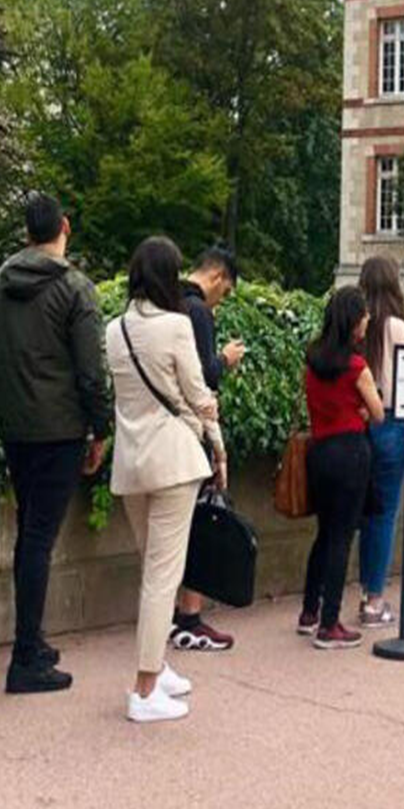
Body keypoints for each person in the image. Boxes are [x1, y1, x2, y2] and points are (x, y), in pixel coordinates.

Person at [0, 193, 112, 694]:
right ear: (64, 227)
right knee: (38, 538)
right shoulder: (76, 289)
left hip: (18, 429)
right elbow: (92, 373)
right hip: (60, 430)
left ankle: (31, 641)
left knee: (29, 534)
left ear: (25, 233)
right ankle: (26, 654)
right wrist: (99, 428)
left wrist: (13, 400)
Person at [105, 237, 226, 722]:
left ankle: (158, 667)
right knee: (163, 576)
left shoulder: (114, 329)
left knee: (151, 572)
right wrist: (217, 444)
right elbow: (199, 396)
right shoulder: (177, 326)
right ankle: (144, 687)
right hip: (174, 461)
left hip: (131, 463)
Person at [299, 287, 384, 649]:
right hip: (350, 452)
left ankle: (309, 611)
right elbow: (378, 413)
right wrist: (363, 411)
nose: (367, 320)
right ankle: (330, 623)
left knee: (323, 533)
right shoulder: (356, 366)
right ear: (352, 320)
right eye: (363, 314)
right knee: (342, 536)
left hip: (320, 451)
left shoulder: (313, 359)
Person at [170, 246, 244, 653]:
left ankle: (176, 615)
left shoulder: (168, 301)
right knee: (199, 524)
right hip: (191, 433)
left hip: (163, 432)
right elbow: (200, 378)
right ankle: (190, 616)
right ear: (216, 277)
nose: (223, 298)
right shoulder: (197, 312)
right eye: (227, 291)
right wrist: (226, 359)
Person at [355, 255, 404, 630]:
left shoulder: (358, 325)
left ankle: (361, 591)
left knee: (360, 515)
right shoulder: (396, 326)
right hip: (391, 423)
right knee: (384, 514)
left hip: (358, 424)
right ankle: (374, 598)